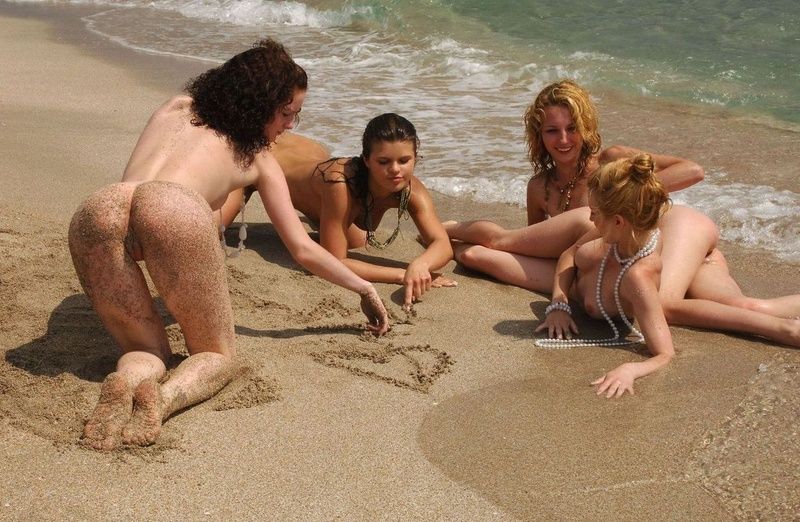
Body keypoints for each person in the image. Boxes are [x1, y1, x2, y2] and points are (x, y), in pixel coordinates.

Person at [67, 39, 389, 451]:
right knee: (216, 355)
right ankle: (162, 399)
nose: (290, 125)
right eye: (287, 113)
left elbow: (138, 202)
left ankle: (126, 380)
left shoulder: (176, 106)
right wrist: (363, 287)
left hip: (101, 206)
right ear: (259, 105)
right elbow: (302, 249)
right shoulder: (258, 159)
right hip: (173, 209)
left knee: (145, 348)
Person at [536, 154, 800, 398]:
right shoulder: (614, 228)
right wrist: (559, 303)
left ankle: (785, 329)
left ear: (617, 221)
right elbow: (572, 252)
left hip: (686, 228)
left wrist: (632, 368)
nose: (588, 217)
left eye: (594, 212)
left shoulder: (637, 272)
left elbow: (664, 353)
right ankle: (781, 326)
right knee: (749, 305)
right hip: (671, 233)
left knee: (682, 307)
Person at [443, 79, 704, 292]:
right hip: (578, 271)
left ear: (586, 127)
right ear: (539, 136)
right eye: (552, 131)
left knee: (489, 246)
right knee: (473, 255)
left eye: (572, 128)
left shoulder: (611, 162)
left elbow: (693, 171)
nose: (564, 139)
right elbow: (533, 245)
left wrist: (625, 192)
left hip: (624, 266)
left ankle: (444, 231)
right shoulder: (538, 187)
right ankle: (442, 235)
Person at [218, 113, 456, 309]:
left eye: (404, 160)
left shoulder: (411, 189)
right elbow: (336, 261)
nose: (395, 170)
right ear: (366, 160)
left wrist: (421, 265)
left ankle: (315, 210)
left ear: (415, 158)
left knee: (356, 238)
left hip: (305, 153)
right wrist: (403, 274)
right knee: (208, 233)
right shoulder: (339, 183)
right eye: (383, 162)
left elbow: (441, 244)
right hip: (258, 161)